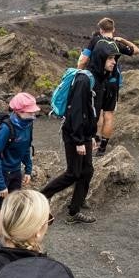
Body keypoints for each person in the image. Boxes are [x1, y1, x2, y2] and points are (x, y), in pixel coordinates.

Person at [0, 93, 37, 252]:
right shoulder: (6, 128)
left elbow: (26, 148)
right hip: (1, 173)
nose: (33, 114)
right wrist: (1, 184)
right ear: (18, 111)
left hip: (16, 172)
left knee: (11, 207)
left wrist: (28, 169)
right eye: (29, 111)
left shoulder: (28, 125)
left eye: (33, 111)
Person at [40, 63, 97, 224]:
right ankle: (41, 197)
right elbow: (76, 110)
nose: (113, 62)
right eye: (111, 59)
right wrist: (79, 140)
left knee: (86, 170)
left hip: (83, 134)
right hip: (74, 134)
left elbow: (88, 110)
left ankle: (74, 211)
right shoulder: (83, 80)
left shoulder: (92, 79)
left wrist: (90, 135)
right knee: (73, 173)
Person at [74, 18, 139, 156]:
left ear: (100, 30)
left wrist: (78, 74)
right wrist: (122, 40)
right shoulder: (116, 44)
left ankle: (94, 140)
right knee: (108, 114)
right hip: (113, 82)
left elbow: (83, 60)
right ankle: (103, 148)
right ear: (113, 29)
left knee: (96, 111)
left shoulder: (95, 41)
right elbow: (136, 50)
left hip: (97, 81)